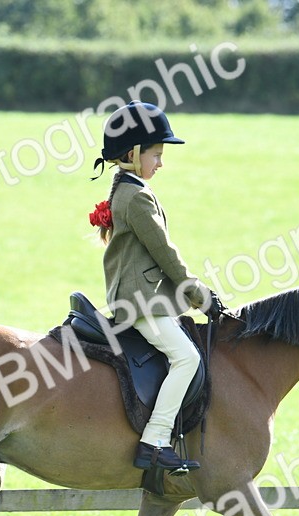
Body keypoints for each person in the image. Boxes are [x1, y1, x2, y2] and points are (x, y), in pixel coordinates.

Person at [88, 102, 226, 473]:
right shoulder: (137, 197)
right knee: (187, 358)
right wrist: (201, 296)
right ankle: (154, 440)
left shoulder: (126, 190)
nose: (161, 163)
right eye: (157, 154)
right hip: (141, 303)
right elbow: (166, 254)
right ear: (133, 154)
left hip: (140, 298)